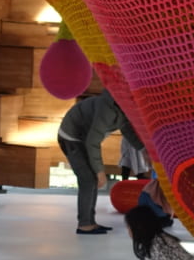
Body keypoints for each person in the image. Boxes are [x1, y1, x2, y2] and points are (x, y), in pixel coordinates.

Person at [57, 88, 144, 235]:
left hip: (82, 139)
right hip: (71, 138)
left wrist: (143, 149)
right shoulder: (108, 110)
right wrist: (100, 171)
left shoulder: (121, 107)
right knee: (88, 180)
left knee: (91, 181)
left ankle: (90, 222)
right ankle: (84, 224)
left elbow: (127, 129)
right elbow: (92, 142)